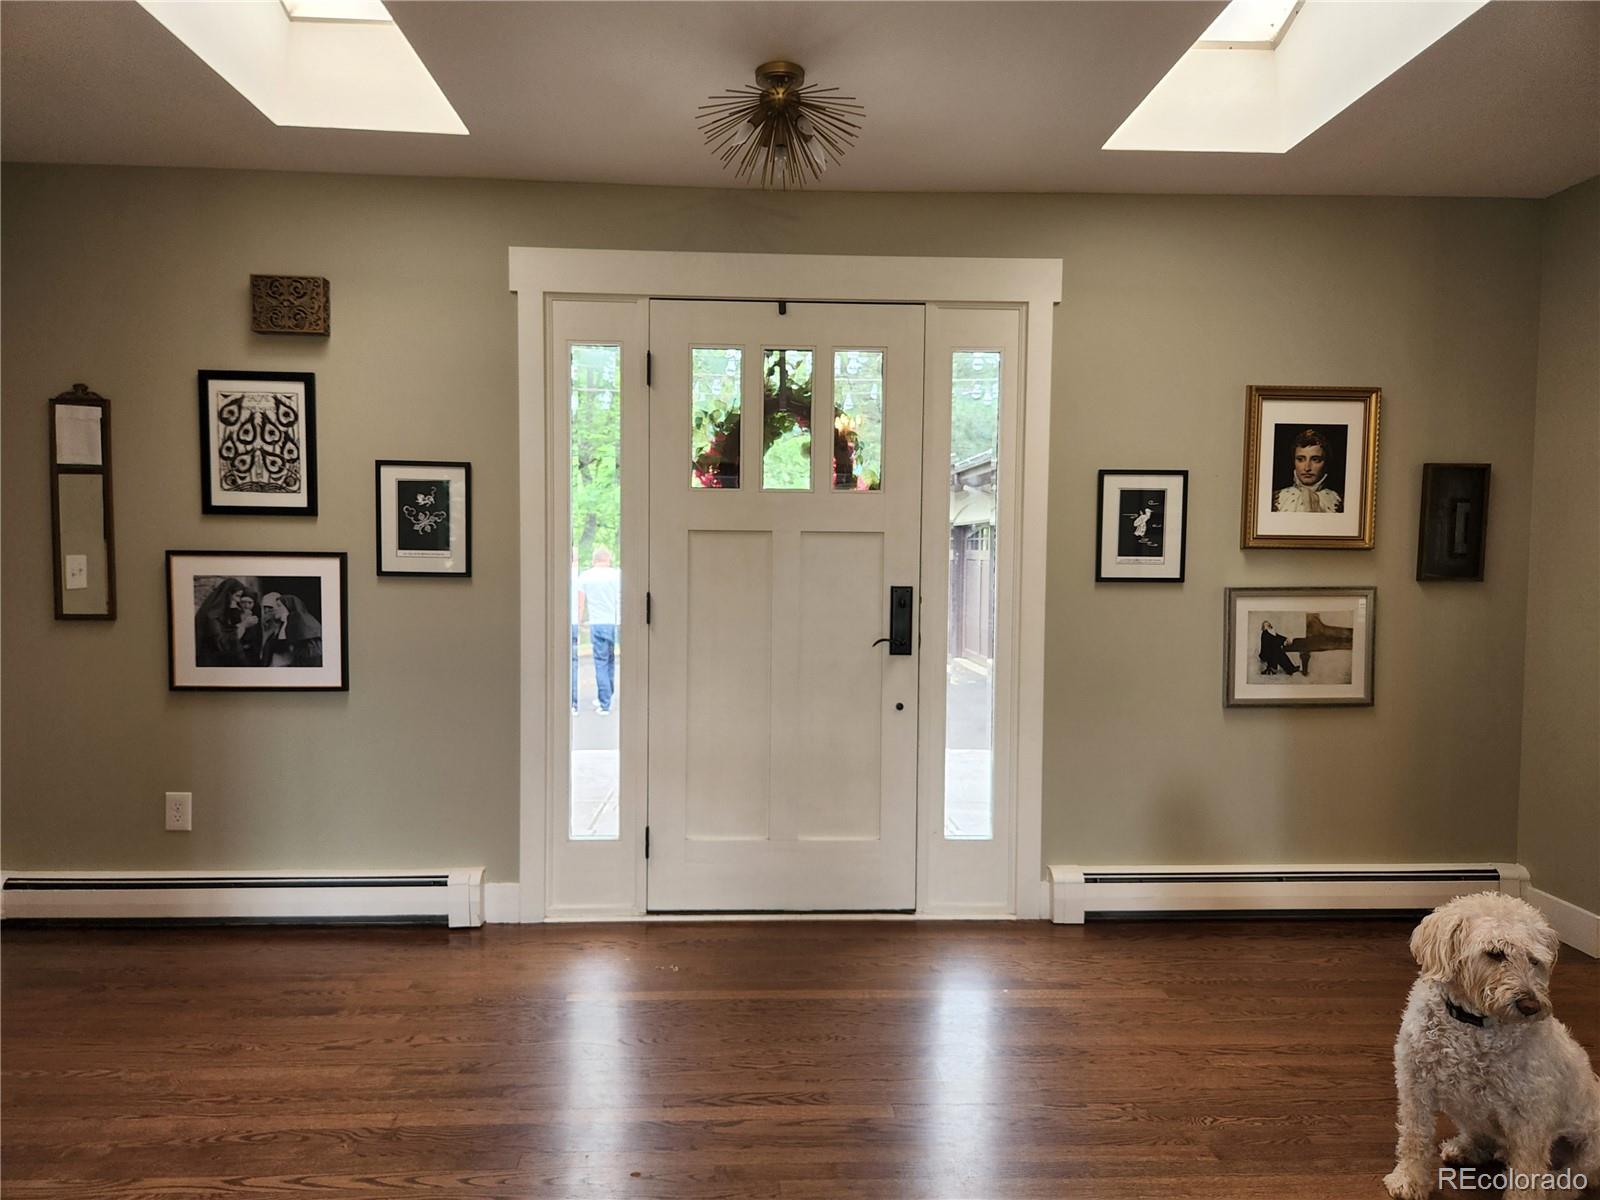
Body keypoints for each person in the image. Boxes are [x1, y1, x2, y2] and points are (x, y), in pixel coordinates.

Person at [578, 546, 621, 714]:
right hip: (615, 622)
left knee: (601, 663)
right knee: (611, 660)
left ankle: (605, 703)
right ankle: (607, 695)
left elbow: (581, 602)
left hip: (597, 623)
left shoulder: (586, 576)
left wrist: (580, 621)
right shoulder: (617, 575)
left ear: (594, 560)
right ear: (608, 559)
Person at [195, 577, 260, 667]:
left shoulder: (225, 613)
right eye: (237, 596)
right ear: (227, 594)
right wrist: (244, 625)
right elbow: (222, 644)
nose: (238, 600)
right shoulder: (213, 615)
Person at [1273, 428, 1342, 513]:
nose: (1307, 468)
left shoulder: (1339, 501)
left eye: (1315, 459)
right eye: (1300, 459)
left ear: (1326, 463)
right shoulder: (1276, 499)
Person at [258, 592, 323, 667]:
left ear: (288, 607)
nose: (276, 609)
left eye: (279, 606)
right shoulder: (284, 624)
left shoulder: (298, 624)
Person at [570, 547, 583, 715]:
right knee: (573, 662)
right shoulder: (577, 577)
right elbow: (580, 603)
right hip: (573, 623)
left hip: (567, 623)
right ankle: (573, 703)